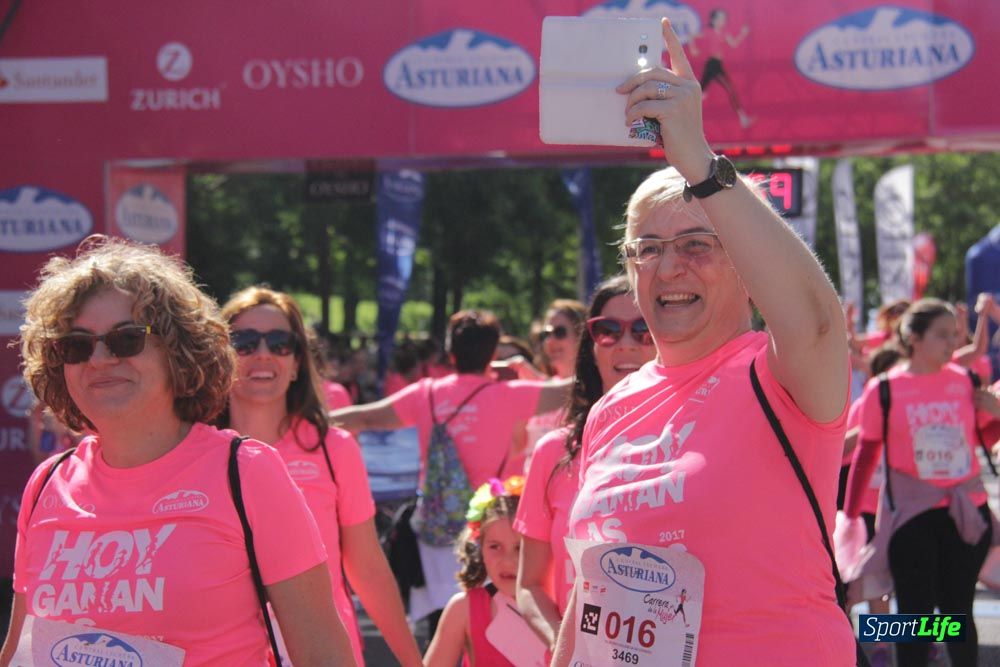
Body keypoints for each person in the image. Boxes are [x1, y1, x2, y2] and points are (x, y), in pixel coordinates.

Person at [552, 19, 854, 666]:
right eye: (649, 250)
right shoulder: (610, 411)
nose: (669, 268)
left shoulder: (778, 377)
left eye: (696, 246)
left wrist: (697, 161)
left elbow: (817, 320)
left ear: (744, 262)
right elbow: (589, 600)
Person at [1, 237, 354, 667]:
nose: (98, 358)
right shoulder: (47, 484)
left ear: (177, 351)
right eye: (76, 345)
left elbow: (324, 655)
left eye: (125, 339)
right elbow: (21, 651)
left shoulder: (245, 472)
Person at [329, 309, 571, 638]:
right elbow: (573, 392)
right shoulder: (513, 394)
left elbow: (363, 418)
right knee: (502, 632)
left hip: (437, 537)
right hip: (499, 539)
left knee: (444, 632)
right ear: (492, 352)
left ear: (451, 352)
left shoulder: (427, 394)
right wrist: (524, 370)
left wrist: (295, 419)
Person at [218, 286, 422, 667]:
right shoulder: (193, 452)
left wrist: (413, 662)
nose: (262, 353)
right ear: (220, 355)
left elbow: (367, 568)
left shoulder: (334, 449)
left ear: (296, 362)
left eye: (280, 342)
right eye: (244, 341)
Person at [841, 298, 1000, 667]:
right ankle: (885, 645)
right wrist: (849, 519)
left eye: (953, 334)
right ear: (913, 339)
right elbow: (865, 452)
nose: (951, 343)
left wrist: (997, 414)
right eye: (942, 335)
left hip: (965, 513)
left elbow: (985, 437)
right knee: (914, 615)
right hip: (913, 517)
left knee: (957, 614)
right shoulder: (886, 389)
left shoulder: (964, 381)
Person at [514, 275, 656, 651]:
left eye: (644, 329)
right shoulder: (552, 454)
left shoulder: (699, 449)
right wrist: (566, 648)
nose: (625, 343)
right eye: (607, 330)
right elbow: (528, 585)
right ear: (591, 346)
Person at [424, 477, 528, 667]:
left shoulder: (561, 606)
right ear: (480, 547)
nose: (507, 560)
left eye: (519, 548)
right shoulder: (463, 609)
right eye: (495, 546)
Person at [688, 8, 753, 128]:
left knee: (700, 93)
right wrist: (693, 49)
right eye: (720, 18)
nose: (723, 21)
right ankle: (743, 118)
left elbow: (734, 43)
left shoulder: (724, 33)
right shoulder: (708, 31)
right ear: (713, 20)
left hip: (717, 65)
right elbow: (691, 36)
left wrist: (743, 33)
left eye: (724, 19)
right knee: (727, 89)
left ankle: (743, 118)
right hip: (712, 65)